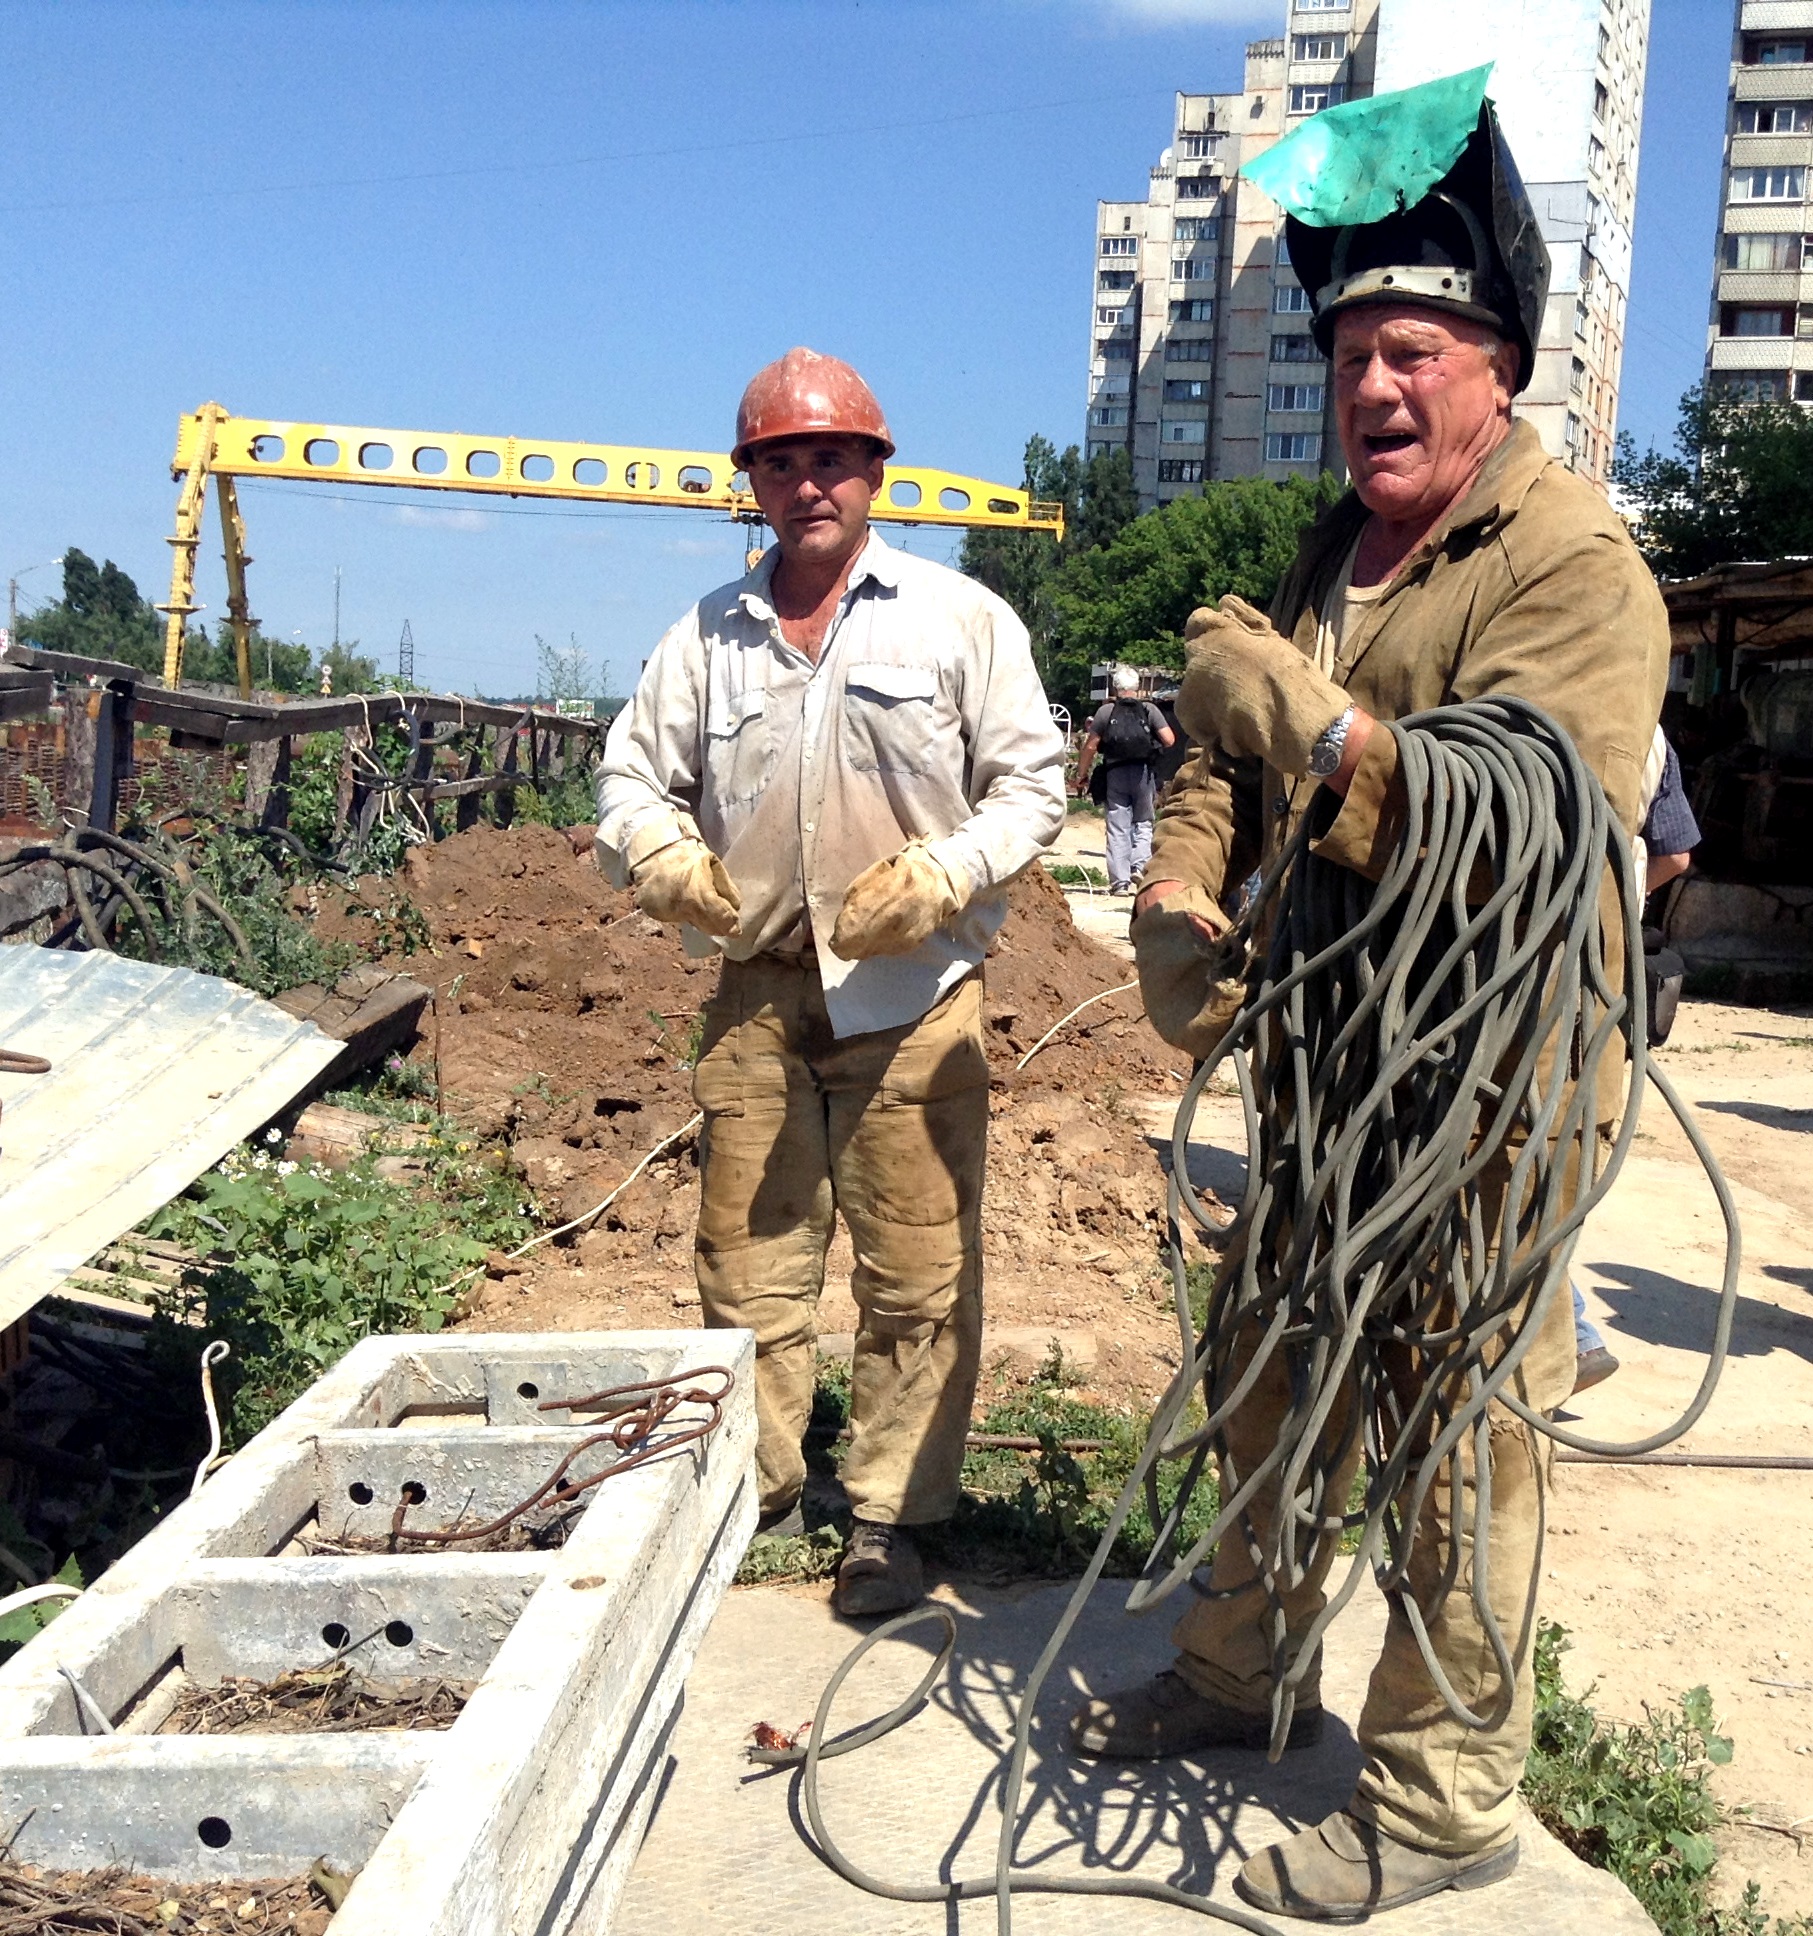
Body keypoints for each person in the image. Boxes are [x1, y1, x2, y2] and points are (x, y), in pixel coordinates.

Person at [1067, 76, 1671, 1920]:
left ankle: (1434, 1803)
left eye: (1411, 350)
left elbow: (1517, 839)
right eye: (1347, 356)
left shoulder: (1570, 565)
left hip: (1484, 1092)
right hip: (1332, 1071)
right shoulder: (1340, 553)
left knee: (1451, 1429)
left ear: (1495, 368)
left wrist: (1309, 724)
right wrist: (1176, 881)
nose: (1373, 390)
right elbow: (1224, 769)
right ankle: (1241, 1671)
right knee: (1267, 1371)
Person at [595, 348, 1066, 1618]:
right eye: (781, 460)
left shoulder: (958, 620)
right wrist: (655, 851)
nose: (809, 481)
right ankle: (754, 1493)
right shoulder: (707, 635)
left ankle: (891, 1519)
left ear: (875, 471)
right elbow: (629, 775)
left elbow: (1034, 785)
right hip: (757, 992)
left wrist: (949, 872)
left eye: (833, 458)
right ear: (751, 480)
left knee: (916, 1276)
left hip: (910, 998)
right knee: (747, 1267)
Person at [1572, 726, 1703, 1392]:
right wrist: (1623, 899)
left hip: (1511, 962)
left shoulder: (1499, 700)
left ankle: (1566, 1336)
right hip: (1606, 968)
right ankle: (1566, 1336)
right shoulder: (1649, 735)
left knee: (1508, 1146)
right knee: (1562, 1145)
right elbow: (1675, 854)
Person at [1072, 669, 1176, 893]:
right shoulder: (1150, 710)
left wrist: (1081, 775)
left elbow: (1090, 747)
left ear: (1115, 688)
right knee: (1144, 822)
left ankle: (1119, 883)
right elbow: (1169, 739)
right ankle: (1139, 867)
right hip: (1143, 773)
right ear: (1137, 687)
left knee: (1118, 826)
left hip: (1115, 773)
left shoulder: (1105, 712)